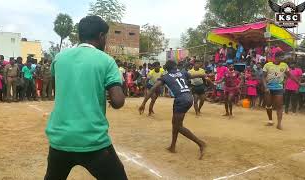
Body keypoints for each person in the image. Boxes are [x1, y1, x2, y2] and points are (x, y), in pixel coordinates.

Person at [44, 15, 127, 180]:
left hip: (60, 139)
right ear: (101, 36)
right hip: (93, 141)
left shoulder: (59, 58)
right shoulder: (107, 61)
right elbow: (118, 101)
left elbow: (58, 87)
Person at [139, 60, 206, 159]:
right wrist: (204, 75)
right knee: (175, 123)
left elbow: (153, 88)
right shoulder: (182, 72)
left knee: (178, 126)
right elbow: (195, 75)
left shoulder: (165, 77)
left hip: (181, 100)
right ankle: (172, 146)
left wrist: (143, 103)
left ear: (166, 68)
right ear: (175, 66)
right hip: (188, 97)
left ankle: (201, 144)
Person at [262, 51, 299, 130]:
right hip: (268, 88)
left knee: (279, 106)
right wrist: (265, 87)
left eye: (283, 57)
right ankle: (270, 120)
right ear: (276, 57)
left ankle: (279, 124)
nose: (283, 58)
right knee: (268, 105)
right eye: (281, 57)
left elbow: (290, 76)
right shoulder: (267, 65)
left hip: (278, 88)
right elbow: (263, 77)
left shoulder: (284, 65)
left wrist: (298, 82)